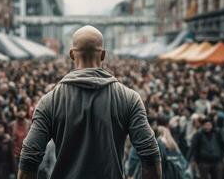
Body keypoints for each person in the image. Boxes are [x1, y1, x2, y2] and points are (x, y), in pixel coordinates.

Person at [18, 25, 162, 179]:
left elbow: (28, 161)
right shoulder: (130, 99)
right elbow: (150, 156)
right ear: (103, 55)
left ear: (72, 54)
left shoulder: (49, 102)